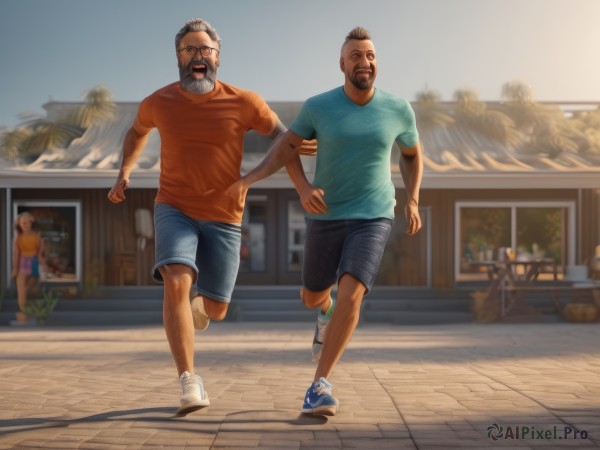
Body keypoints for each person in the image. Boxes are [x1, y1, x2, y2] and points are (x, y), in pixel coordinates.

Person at [107, 18, 309, 416]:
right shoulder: (158, 101)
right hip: (174, 207)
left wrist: (301, 186)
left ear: (217, 57)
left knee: (215, 309)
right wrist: (125, 170)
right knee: (176, 278)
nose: (198, 56)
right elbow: (136, 132)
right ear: (178, 57)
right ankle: (188, 380)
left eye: (205, 50)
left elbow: (284, 139)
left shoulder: (245, 101)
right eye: (189, 50)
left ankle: (203, 308)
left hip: (224, 216)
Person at [265, 26, 424, 415]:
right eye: (356, 56)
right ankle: (324, 309)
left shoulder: (398, 109)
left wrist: (413, 200)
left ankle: (319, 385)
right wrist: (303, 188)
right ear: (342, 64)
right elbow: (288, 149)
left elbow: (411, 154)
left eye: (370, 55)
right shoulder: (318, 106)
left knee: (353, 291)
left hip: (374, 215)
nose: (364, 62)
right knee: (312, 296)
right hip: (327, 215)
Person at [11, 211, 45, 324]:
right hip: (22, 263)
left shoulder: (36, 236)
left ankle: (32, 312)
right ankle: (23, 313)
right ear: (19, 224)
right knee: (21, 289)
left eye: (27, 223)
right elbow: (16, 254)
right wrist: (15, 268)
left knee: (31, 288)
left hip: (34, 262)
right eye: (23, 223)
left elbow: (41, 248)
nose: (25, 225)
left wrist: (40, 257)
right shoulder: (18, 238)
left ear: (31, 223)